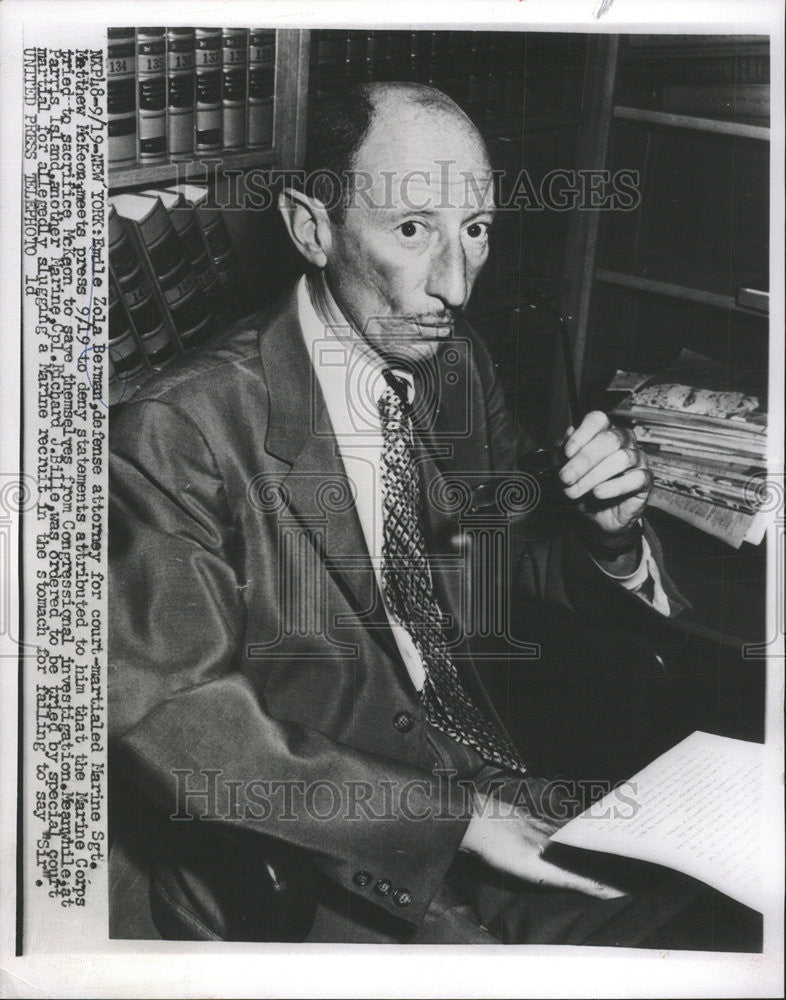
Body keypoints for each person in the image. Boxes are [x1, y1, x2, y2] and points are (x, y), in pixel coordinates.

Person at [108, 82, 692, 944]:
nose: (455, 286)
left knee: (717, 896)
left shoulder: (456, 368)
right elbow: (175, 720)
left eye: (477, 230)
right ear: (312, 228)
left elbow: (501, 564)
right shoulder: (178, 430)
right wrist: (448, 821)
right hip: (323, 844)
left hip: (490, 775)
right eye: (413, 229)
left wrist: (608, 538)